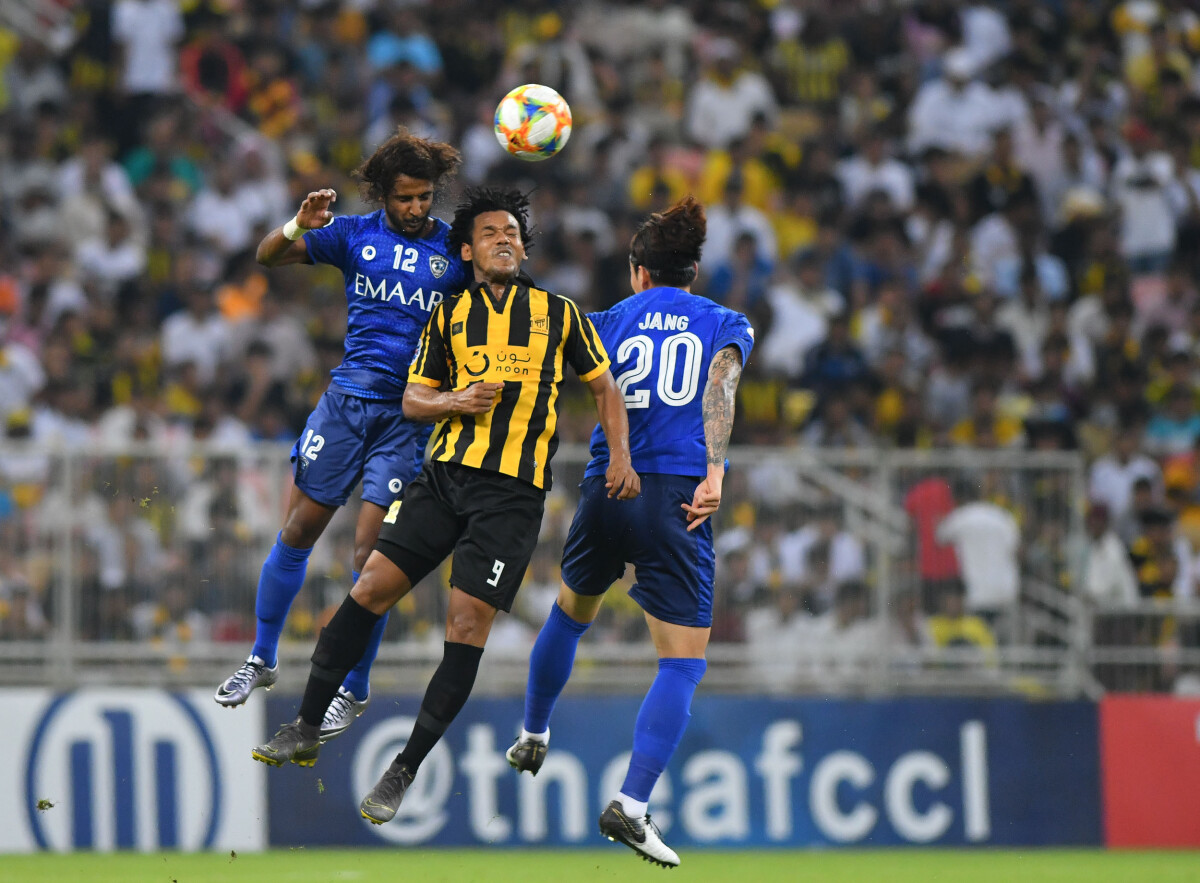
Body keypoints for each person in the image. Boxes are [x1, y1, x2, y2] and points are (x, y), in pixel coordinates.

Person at [248, 187, 640, 824]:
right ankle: (304, 724)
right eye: (490, 233)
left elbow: (604, 387)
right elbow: (412, 400)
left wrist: (619, 456)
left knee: (464, 629)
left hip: (512, 496)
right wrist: (455, 402)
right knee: (369, 584)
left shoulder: (560, 313)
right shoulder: (450, 314)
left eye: (512, 231)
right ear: (467, 250)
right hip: (442, 478)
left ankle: (403, 771)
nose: (505, 239)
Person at [506, 196, 754, 868]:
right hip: (675, 492)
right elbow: (719, 388)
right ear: (693, 273)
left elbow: (568, 383)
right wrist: (714, 471)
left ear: (638, 271)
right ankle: (633, 803)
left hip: (607, 484)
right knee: (681, 661)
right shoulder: (725, 321)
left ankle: (532, 730)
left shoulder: (609, 318)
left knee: (570, 612)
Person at [213, 130, 469, 744]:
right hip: (346, 404)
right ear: (383, 194)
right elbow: (268, 257)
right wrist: (299, 224)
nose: (417, 209)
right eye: (405, 198)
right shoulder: (353, 235)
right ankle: (262, 657)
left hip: (407, 419)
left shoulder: (452, 253)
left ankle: (354, 688)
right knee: (299, 529)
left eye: (425, 197)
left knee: (370, 557)